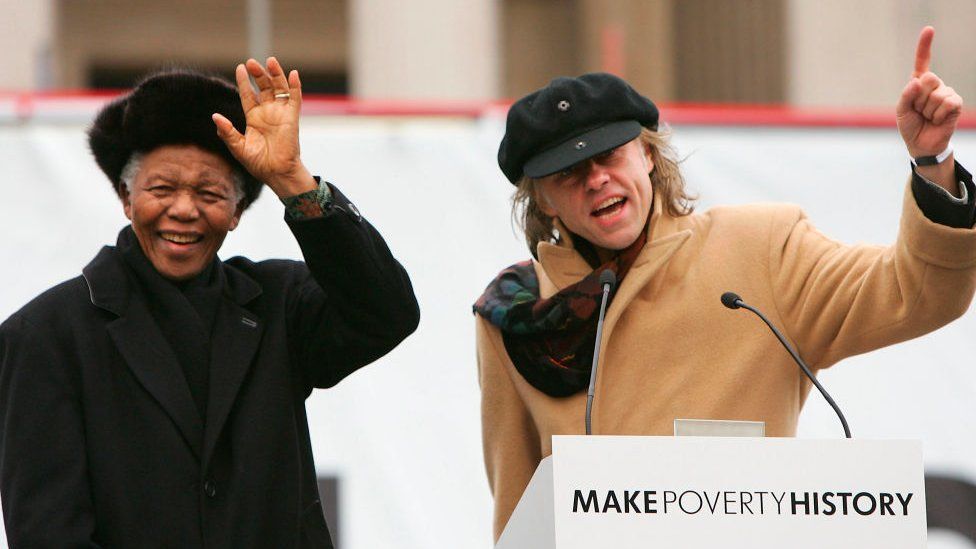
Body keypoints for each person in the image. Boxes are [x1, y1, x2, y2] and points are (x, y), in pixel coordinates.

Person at [474, 26, 976, 539]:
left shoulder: (763, 247)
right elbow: (518, 510)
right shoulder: (514, 314)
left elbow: (915, 293)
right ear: (544, 202)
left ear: (647, 155)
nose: (596, 178)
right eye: (568, 172)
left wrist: (932, 164)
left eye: (609, 155)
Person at [0, 59, 419, 548]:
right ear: (125, 197)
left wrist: (293, 181)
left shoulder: (279, 305)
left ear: (237, 211)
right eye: (162, 188)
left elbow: (387, 313)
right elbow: (48, 533)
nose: (184, 209)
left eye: (209, 192)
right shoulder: (46, 335)